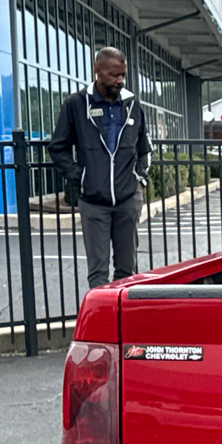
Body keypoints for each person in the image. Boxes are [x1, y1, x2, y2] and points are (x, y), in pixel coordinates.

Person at [48, 46, 151, 289]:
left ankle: (123, 323)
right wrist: (81, 177)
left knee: (127, 271)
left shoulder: (132, 104)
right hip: (93, 202)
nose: (120, 80)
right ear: (97, 71)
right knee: (98, 273)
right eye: (114, 75)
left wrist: (140, 178)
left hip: (127, 200)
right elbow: (57, 147)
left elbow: (144, 147)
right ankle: (103, 323)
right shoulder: (76, 104)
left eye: (123, 75)